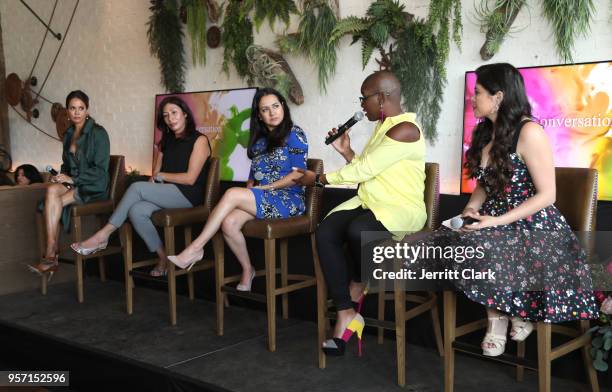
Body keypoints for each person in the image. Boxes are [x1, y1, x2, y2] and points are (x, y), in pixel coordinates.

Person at [415, 63, 598, 356]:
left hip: (533, 223)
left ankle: (499, 319)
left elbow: (548, 195)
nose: (472, 99)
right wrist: (471, 210)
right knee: (445, 239)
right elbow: (485, 184)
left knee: (486, 245)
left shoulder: (529, 131)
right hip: (495, 218)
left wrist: (495, 221)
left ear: (498, 97)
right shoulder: (486, 132)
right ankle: (517, 310)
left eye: (477, 93)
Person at [294, 70, 427, 356]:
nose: (361, 105)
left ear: (381, 97)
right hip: (371, 200)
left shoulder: (404, 129)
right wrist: (347, 151)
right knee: (326, 231)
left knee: (357, 231)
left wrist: (318, 179)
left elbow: (365, 170)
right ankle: (345, 310)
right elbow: (369, 169)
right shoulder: (383, 126)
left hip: (400, 208)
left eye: (364, 98)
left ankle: (358, 284)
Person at [167, 88, 308, 291]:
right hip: (263, 196)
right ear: (259, 115)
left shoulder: (295, 134)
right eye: (265, 109)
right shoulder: (259, 141)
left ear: (283, 107)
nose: (272, 112)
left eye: (276, 106)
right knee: (229, 222)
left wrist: (265, 188)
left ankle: (195, 249)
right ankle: (247, 269)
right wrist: (252, 187)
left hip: (288, 200)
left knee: (231, 193)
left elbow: (298, 176)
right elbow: (254, 175)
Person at [71, 96, 211, 277]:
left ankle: (103, 235)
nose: (171, 118)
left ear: (185, 114)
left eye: (174, 113)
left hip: (188, 195)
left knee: (137, 187)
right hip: (166, 193)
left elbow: (190, 178)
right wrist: (156, 178)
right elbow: (155, 174)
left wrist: (160, 177)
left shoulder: (199, 140)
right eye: (166, 115)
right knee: (136, 210)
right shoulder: (165, 142)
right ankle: (163, 258)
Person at [28, 90, 110, 279]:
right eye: (72, 108)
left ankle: (50, 254)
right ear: (67, 111)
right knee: (50, 190)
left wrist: (72, 180)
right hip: (74, 182)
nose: (77, 112)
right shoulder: (68, 134)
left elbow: (101, 170)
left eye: (81, 108)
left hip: (93, 185)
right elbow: (67, 165)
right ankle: (51, 249)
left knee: (53, 201)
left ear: (87, 110)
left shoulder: (99, 133)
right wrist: (60, 176)